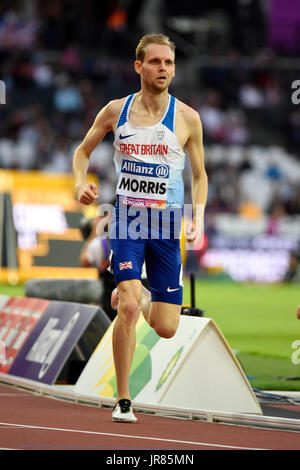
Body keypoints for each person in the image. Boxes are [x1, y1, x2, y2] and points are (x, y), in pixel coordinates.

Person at [73, 33, 208, 423]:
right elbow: (82, 152)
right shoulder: (116, 111)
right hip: (128, 220)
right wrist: (81, 183)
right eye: (155, 62)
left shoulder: (187, 118)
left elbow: (200, 176)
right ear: (139, 66)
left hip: (167, 225)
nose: (163, 68)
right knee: (128, 305)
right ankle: (124, 399)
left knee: (166, 327)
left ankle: (140, 299)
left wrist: (197, 217)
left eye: (169, 63)